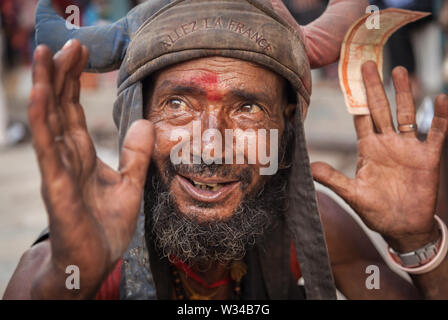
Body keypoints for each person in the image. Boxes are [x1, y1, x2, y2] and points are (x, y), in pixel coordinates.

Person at [3, 0, 448, 300]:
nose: (211, 145)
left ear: (287, 126)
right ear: (135, 118)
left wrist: (418, 243)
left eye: (248, 108)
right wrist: (67, 280)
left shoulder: (313, 228)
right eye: (177, 104)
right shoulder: (70, 259)